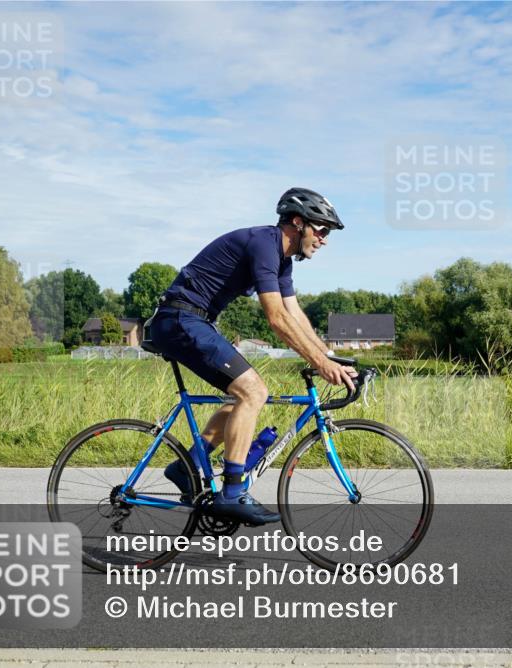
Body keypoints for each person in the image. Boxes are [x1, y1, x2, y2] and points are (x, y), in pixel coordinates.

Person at [147, 187, 357, 525]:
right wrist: (320, 364)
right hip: (179, 319)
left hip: (194, 321)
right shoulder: (264, 244)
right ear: (297, 222)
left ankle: (186, 468)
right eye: (321, 230)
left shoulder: (282, 260)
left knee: (242, 399)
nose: (324, 239)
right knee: (253, 391)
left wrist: (331, 357)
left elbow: (294, 313)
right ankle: (232, 493)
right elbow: (275, 319)